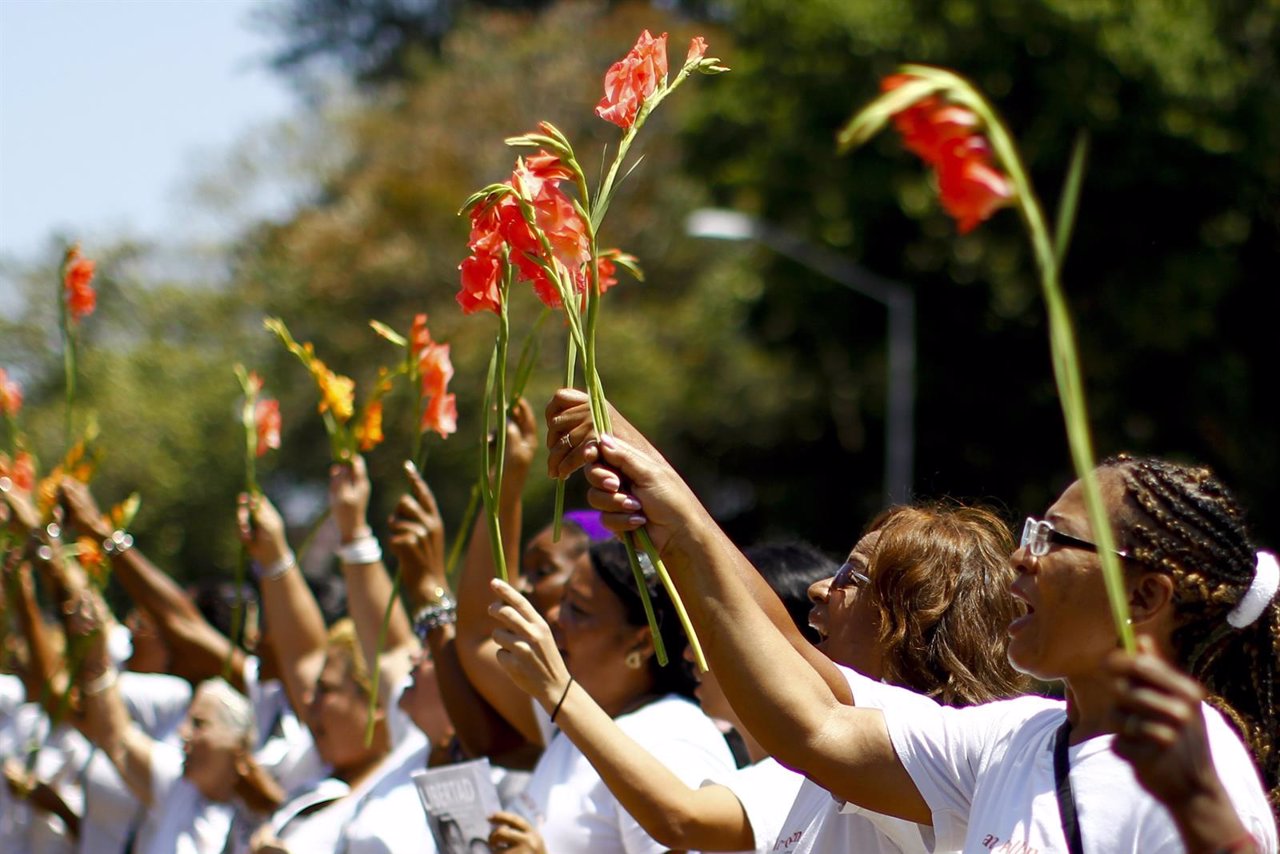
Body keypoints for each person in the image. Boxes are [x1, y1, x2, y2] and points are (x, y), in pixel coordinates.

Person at [550, 392, 1278, 853]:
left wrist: (1203, 814)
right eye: (1030, 534)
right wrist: (669, 513)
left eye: (1055, 542)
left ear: (1145, 598)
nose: (1023, 561)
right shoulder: (1011, 739)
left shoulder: (1200, 766)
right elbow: (815, 725)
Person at [487, 540, 835, 852]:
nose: (691, 653)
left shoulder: (674, 736)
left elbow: (680, 820)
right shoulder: (773, 777)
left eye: (715, 633)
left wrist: (560, 692)